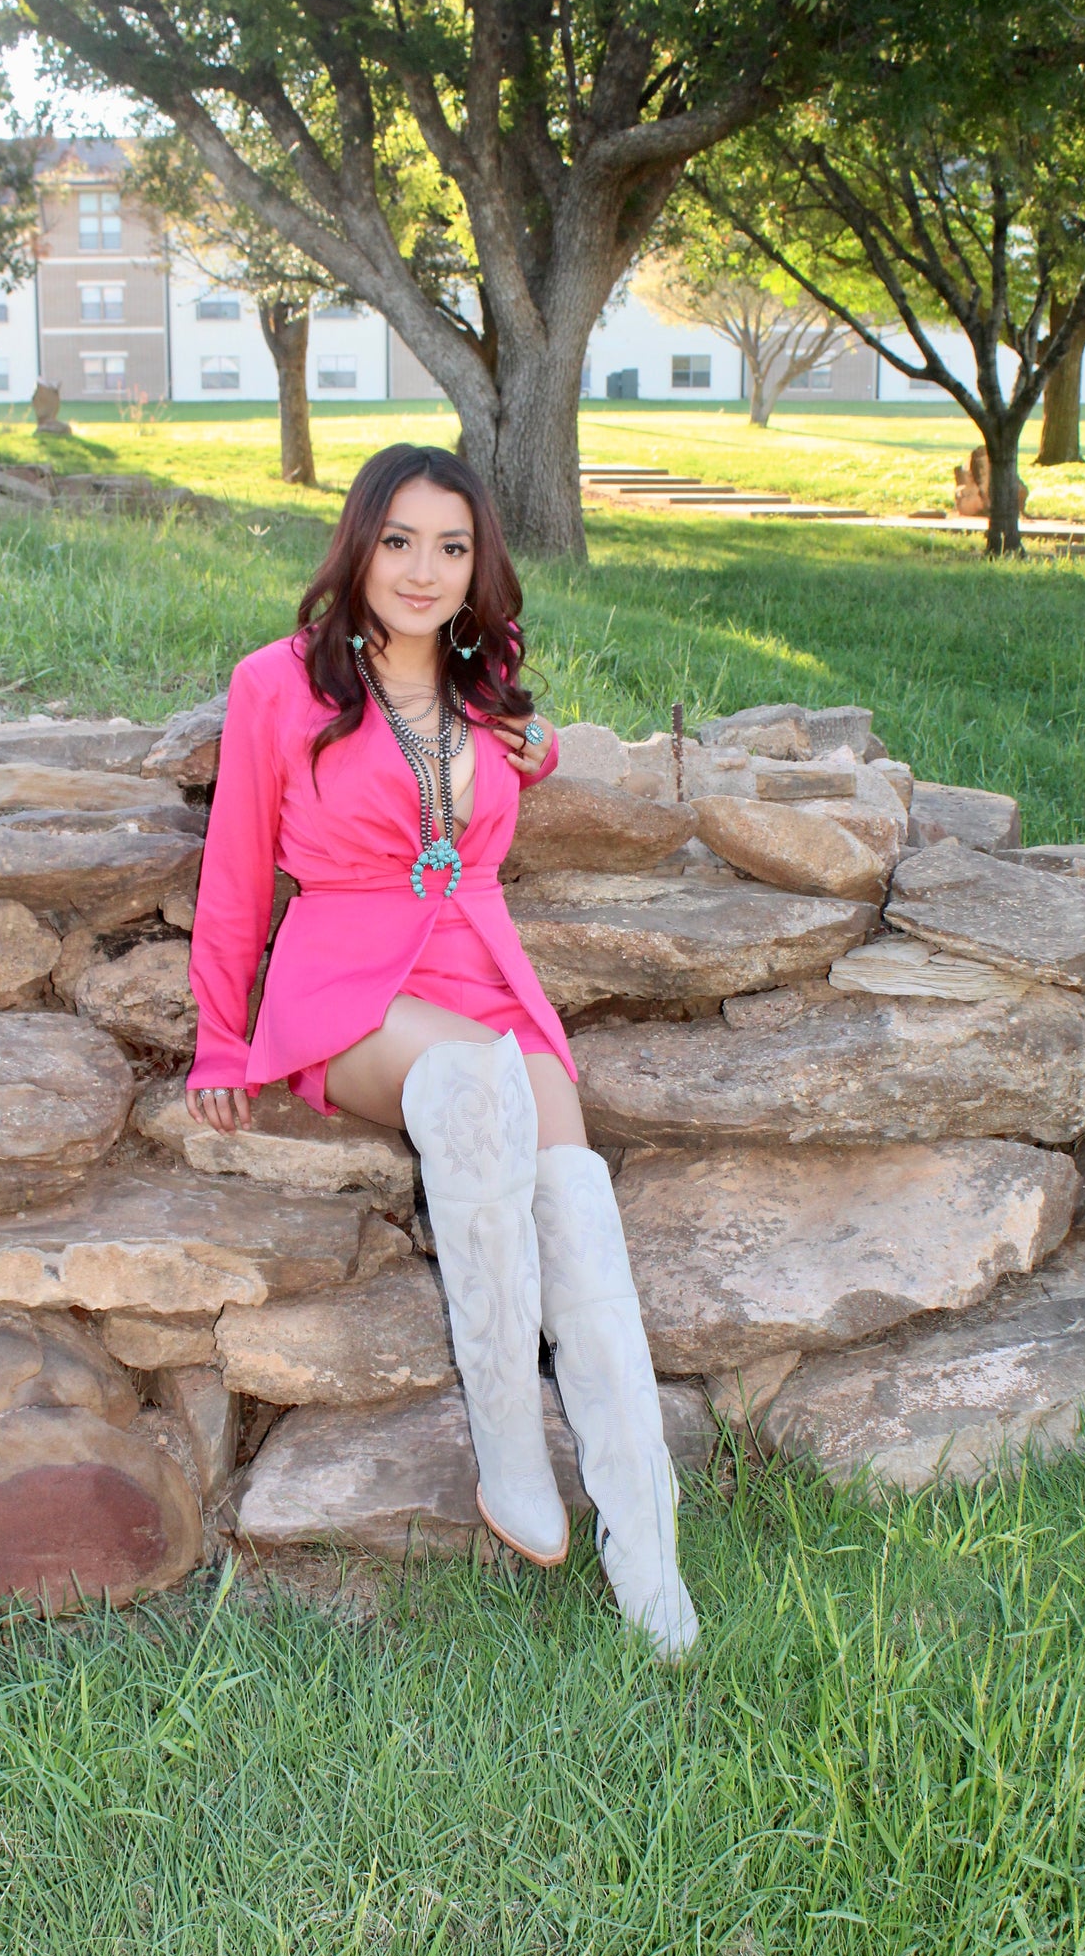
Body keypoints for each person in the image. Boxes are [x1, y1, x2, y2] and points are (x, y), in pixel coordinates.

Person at [184, 443, 699, 1661]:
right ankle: (508, 1441)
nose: (423, 570)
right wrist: (218, 1034)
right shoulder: (278, 683)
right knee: (473, 1088)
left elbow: (484, 778)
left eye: (452, 547)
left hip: (480, 958)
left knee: (577, 1206)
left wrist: (538, 747)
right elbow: (233, 869)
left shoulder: (487, 678)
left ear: (481, 570)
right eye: (400, 540)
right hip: (345, 981)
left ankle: (648, 1540)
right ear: (359, 543)